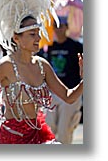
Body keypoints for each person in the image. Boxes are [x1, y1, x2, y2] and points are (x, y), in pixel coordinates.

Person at [0, 0, 83, 144]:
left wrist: (85, 79)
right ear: (17, 38)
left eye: (38, 33)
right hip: (12, 136)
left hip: (39, 134)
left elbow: (68, 97)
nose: (38, 38)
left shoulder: (42, 65)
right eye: (32, 34)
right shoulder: (6, 65)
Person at [37, 16, 83, 144]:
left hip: (71, 93)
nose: (58, 29)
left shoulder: (76, 46)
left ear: (67, 27)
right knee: (48, 130)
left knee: (65, 132)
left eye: (61, 26)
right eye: (55, 26)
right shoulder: (47, 47)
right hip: (51, 94)